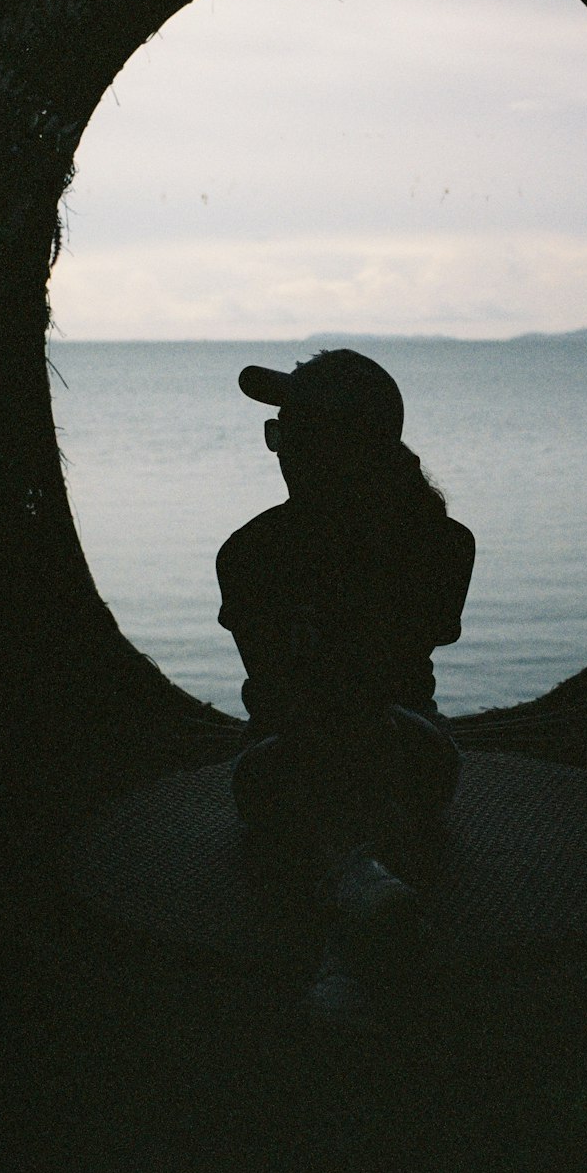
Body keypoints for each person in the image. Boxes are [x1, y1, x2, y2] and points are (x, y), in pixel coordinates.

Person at [217, 348, 475, 1014]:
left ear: (311, 449)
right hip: (414, 761)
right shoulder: (444, 546)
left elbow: (277, 692)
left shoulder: (248, 555)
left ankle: (346, 891)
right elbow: (394, 670)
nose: (276, 449)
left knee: (311, 759)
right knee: (363, 764)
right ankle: (364, 898)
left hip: (284, 771)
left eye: (284, 432)